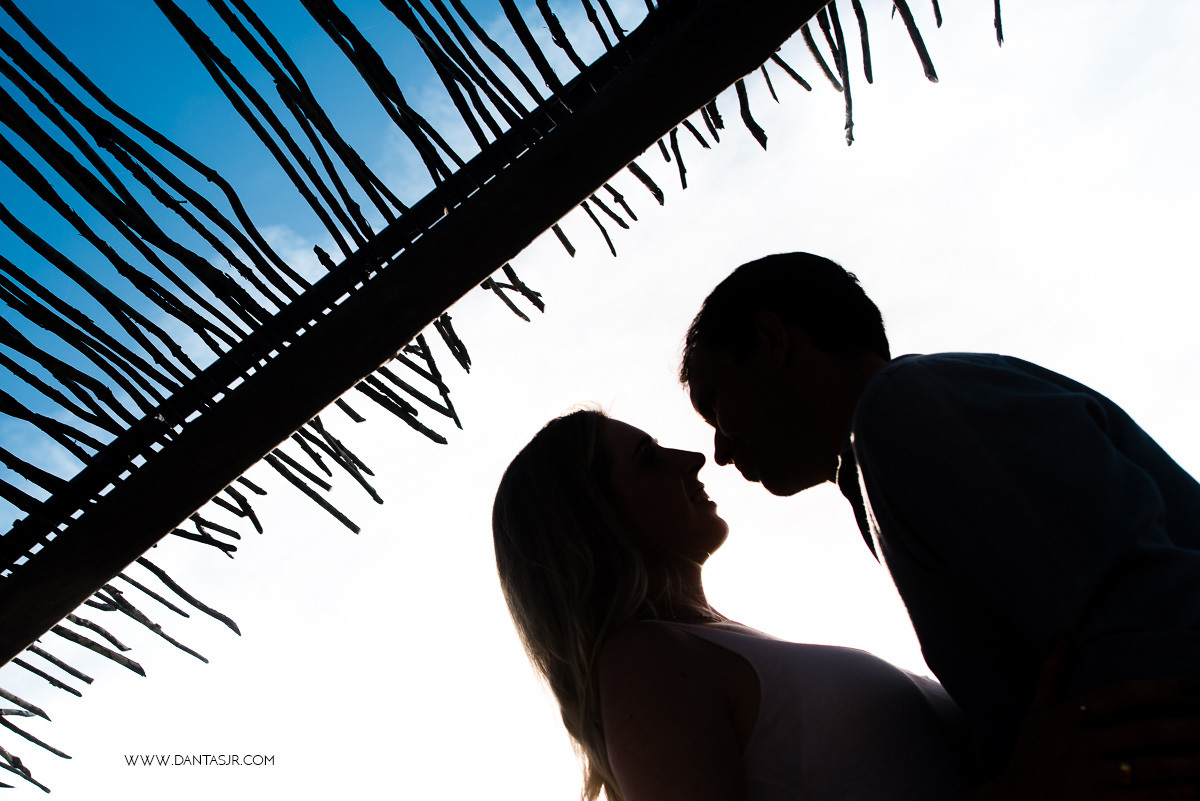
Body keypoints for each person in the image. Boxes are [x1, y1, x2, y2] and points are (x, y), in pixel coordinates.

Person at [492, 408, 1200, 801]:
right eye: (648, 457)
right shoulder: (640, 660)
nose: (692, 457)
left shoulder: (713, 648)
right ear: (591, 522)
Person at [679, 252, 1200, 775]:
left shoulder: (906, 407)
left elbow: (1141, 613)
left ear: (771, 341)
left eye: (716, 404)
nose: (720, 450)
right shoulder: (887, 449)